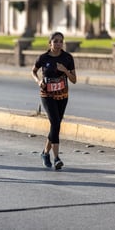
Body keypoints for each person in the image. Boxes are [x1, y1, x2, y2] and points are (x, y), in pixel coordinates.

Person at [31, 31, 77, 170]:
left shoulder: (67, 58)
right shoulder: (43, 58)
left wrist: (65, 71)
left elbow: (74, 80)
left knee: (56, 125)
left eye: (60, 41)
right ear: (49, 43)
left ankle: (45, 153)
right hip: (47, 95)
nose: (58, 44)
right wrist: (38, 81)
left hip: (62, 96)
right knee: (55, 123)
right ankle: (56, 158)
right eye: (55, 41)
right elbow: (33, 71)